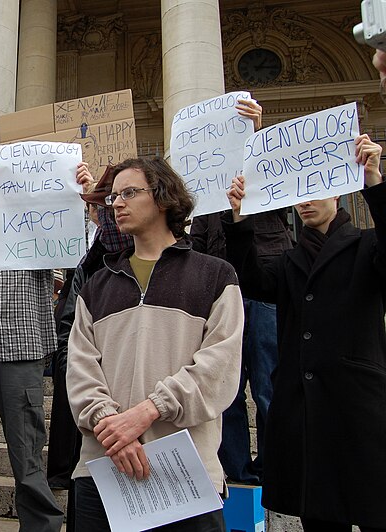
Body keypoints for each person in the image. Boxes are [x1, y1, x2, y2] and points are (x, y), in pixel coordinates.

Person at [66, 156, 243, 531]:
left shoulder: (215, 275)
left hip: (183, 474)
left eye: (129, 192)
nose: (116, 203)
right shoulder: (96, 285)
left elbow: (219, 366)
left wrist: (146, 412)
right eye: (112, 197)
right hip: (103, 472)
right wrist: (112, 427)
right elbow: (80, 369)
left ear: (163, 198)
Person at [224, 134, 386, 532]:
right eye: (300, 195)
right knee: (320, 517)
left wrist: (375, 182)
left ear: (340, 194)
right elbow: (253, 280)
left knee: (374, 509)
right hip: (305, 410)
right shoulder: (291, 259)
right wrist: (241, 220)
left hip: (357, 405)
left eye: (316, 192)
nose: (306, 202)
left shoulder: (366, 245)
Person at [0, 142, 92, 532]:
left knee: (27, 454)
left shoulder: (37, 209)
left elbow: (74, 247)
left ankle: (41, 526)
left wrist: (79, 195)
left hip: (23, 346)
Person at [189, 99, 293, 485]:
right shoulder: (205, 200)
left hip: (264, 292)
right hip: (223, 299)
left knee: (268, 385)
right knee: (226, 391)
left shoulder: (263, 181)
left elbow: (279, 171)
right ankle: (236, 466)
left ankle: (273, 462)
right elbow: (198, 244)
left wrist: (257, 131)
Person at [46, 165, 133, 501]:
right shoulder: (89, 264)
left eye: (123, 199)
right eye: (105, 205)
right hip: (90, 390)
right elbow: (70, 324)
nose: (112, 213)